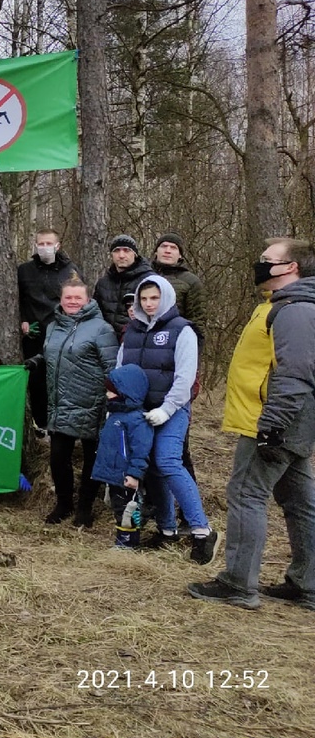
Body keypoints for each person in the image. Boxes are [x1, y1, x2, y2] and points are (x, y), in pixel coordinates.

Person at [189, 238, 315, 609]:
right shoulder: (278, 306)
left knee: (246, 495)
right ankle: (307, 583)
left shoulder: (295, 311)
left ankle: (237, 583)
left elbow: (296, 374)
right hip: (283, 420)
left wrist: (272, 425)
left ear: (290, 267)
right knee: (299, 502)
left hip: (273, 421)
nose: (259, 265)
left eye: (267, 260)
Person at [116, 275, 219, 563]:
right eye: (144, 298)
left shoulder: (182, 330)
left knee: (167, 460)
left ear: (167, 298)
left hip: (172, 409)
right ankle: (167, 529)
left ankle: (202, 530)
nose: (149, 304)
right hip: (140, 410)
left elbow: (186, 376)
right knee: (150, 467)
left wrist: (168, 408)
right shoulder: (132, 331)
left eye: (154, 298)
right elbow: (121, 369)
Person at [35, 276, 118, 527]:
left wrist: (110, 400)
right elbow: (53, 355)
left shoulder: (101, 328)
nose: (72, 302)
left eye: (77, 298)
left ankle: (84, 509)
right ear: (61, 300)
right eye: (68, 298)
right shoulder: (53, 326)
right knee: (59, 458)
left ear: (87, 300)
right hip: (60, 403)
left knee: (92, 459)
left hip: (91, 405)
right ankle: (63, 504)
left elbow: (112, 367)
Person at [17, 229, 78, 434]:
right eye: (40, 244)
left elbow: (78, 301)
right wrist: (22, 320)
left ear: (58, 245)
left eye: (48, 243)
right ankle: (39, 425)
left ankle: (60, 427)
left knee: (60, 382)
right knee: (36, 383)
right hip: (33, 335)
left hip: (61, 335)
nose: (44, 248)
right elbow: (15, 299)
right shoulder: (24, 270)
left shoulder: (70, 271)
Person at [91, 364, 154, 549]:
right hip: (114, 474)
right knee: (120, 508)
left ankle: (127, 543)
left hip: (126, 475)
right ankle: (124, 540)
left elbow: (141, 450)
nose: (107, 395)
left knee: (128, 509)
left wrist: (134, 474)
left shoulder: (137, 420)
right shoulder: (115, 414)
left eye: (111, 392)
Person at [94, 234, 154, 337]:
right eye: (117, 251)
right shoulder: (103, 284)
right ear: (111, 254)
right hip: (105, 342)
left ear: (134, 254)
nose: (121, 255)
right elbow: (95, 316)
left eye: (127, 250)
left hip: (137, 340)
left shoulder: (149, 281)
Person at [150, 232, 205, 327]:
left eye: (173, 248)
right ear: (156, 252)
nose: (168, 251)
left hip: (175, 336)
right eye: (164, 246)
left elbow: (197, 320)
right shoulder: (143, 275)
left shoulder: (191, 281)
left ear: (180, 255)